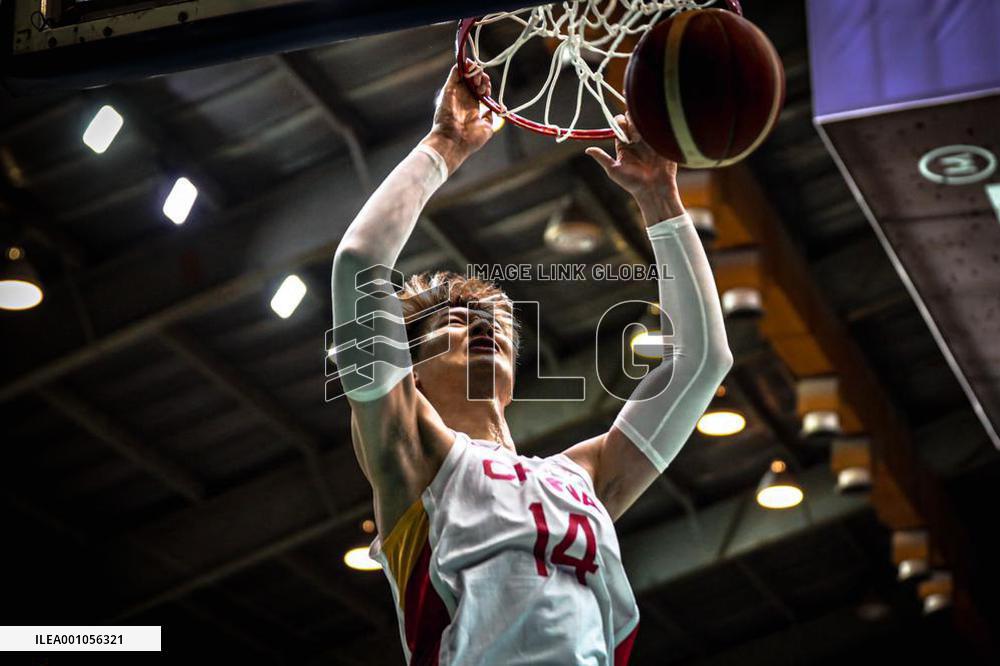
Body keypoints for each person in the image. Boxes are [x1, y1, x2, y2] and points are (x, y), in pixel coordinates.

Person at [330, 62, 733, 665]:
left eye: (490, 320)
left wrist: (659, 198)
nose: (480, 324)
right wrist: (446, 144)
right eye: (453, 321)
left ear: (515, 378)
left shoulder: (580, 477)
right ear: (408, 374)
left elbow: (702, 360)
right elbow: (359, 262)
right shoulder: (413, 455)